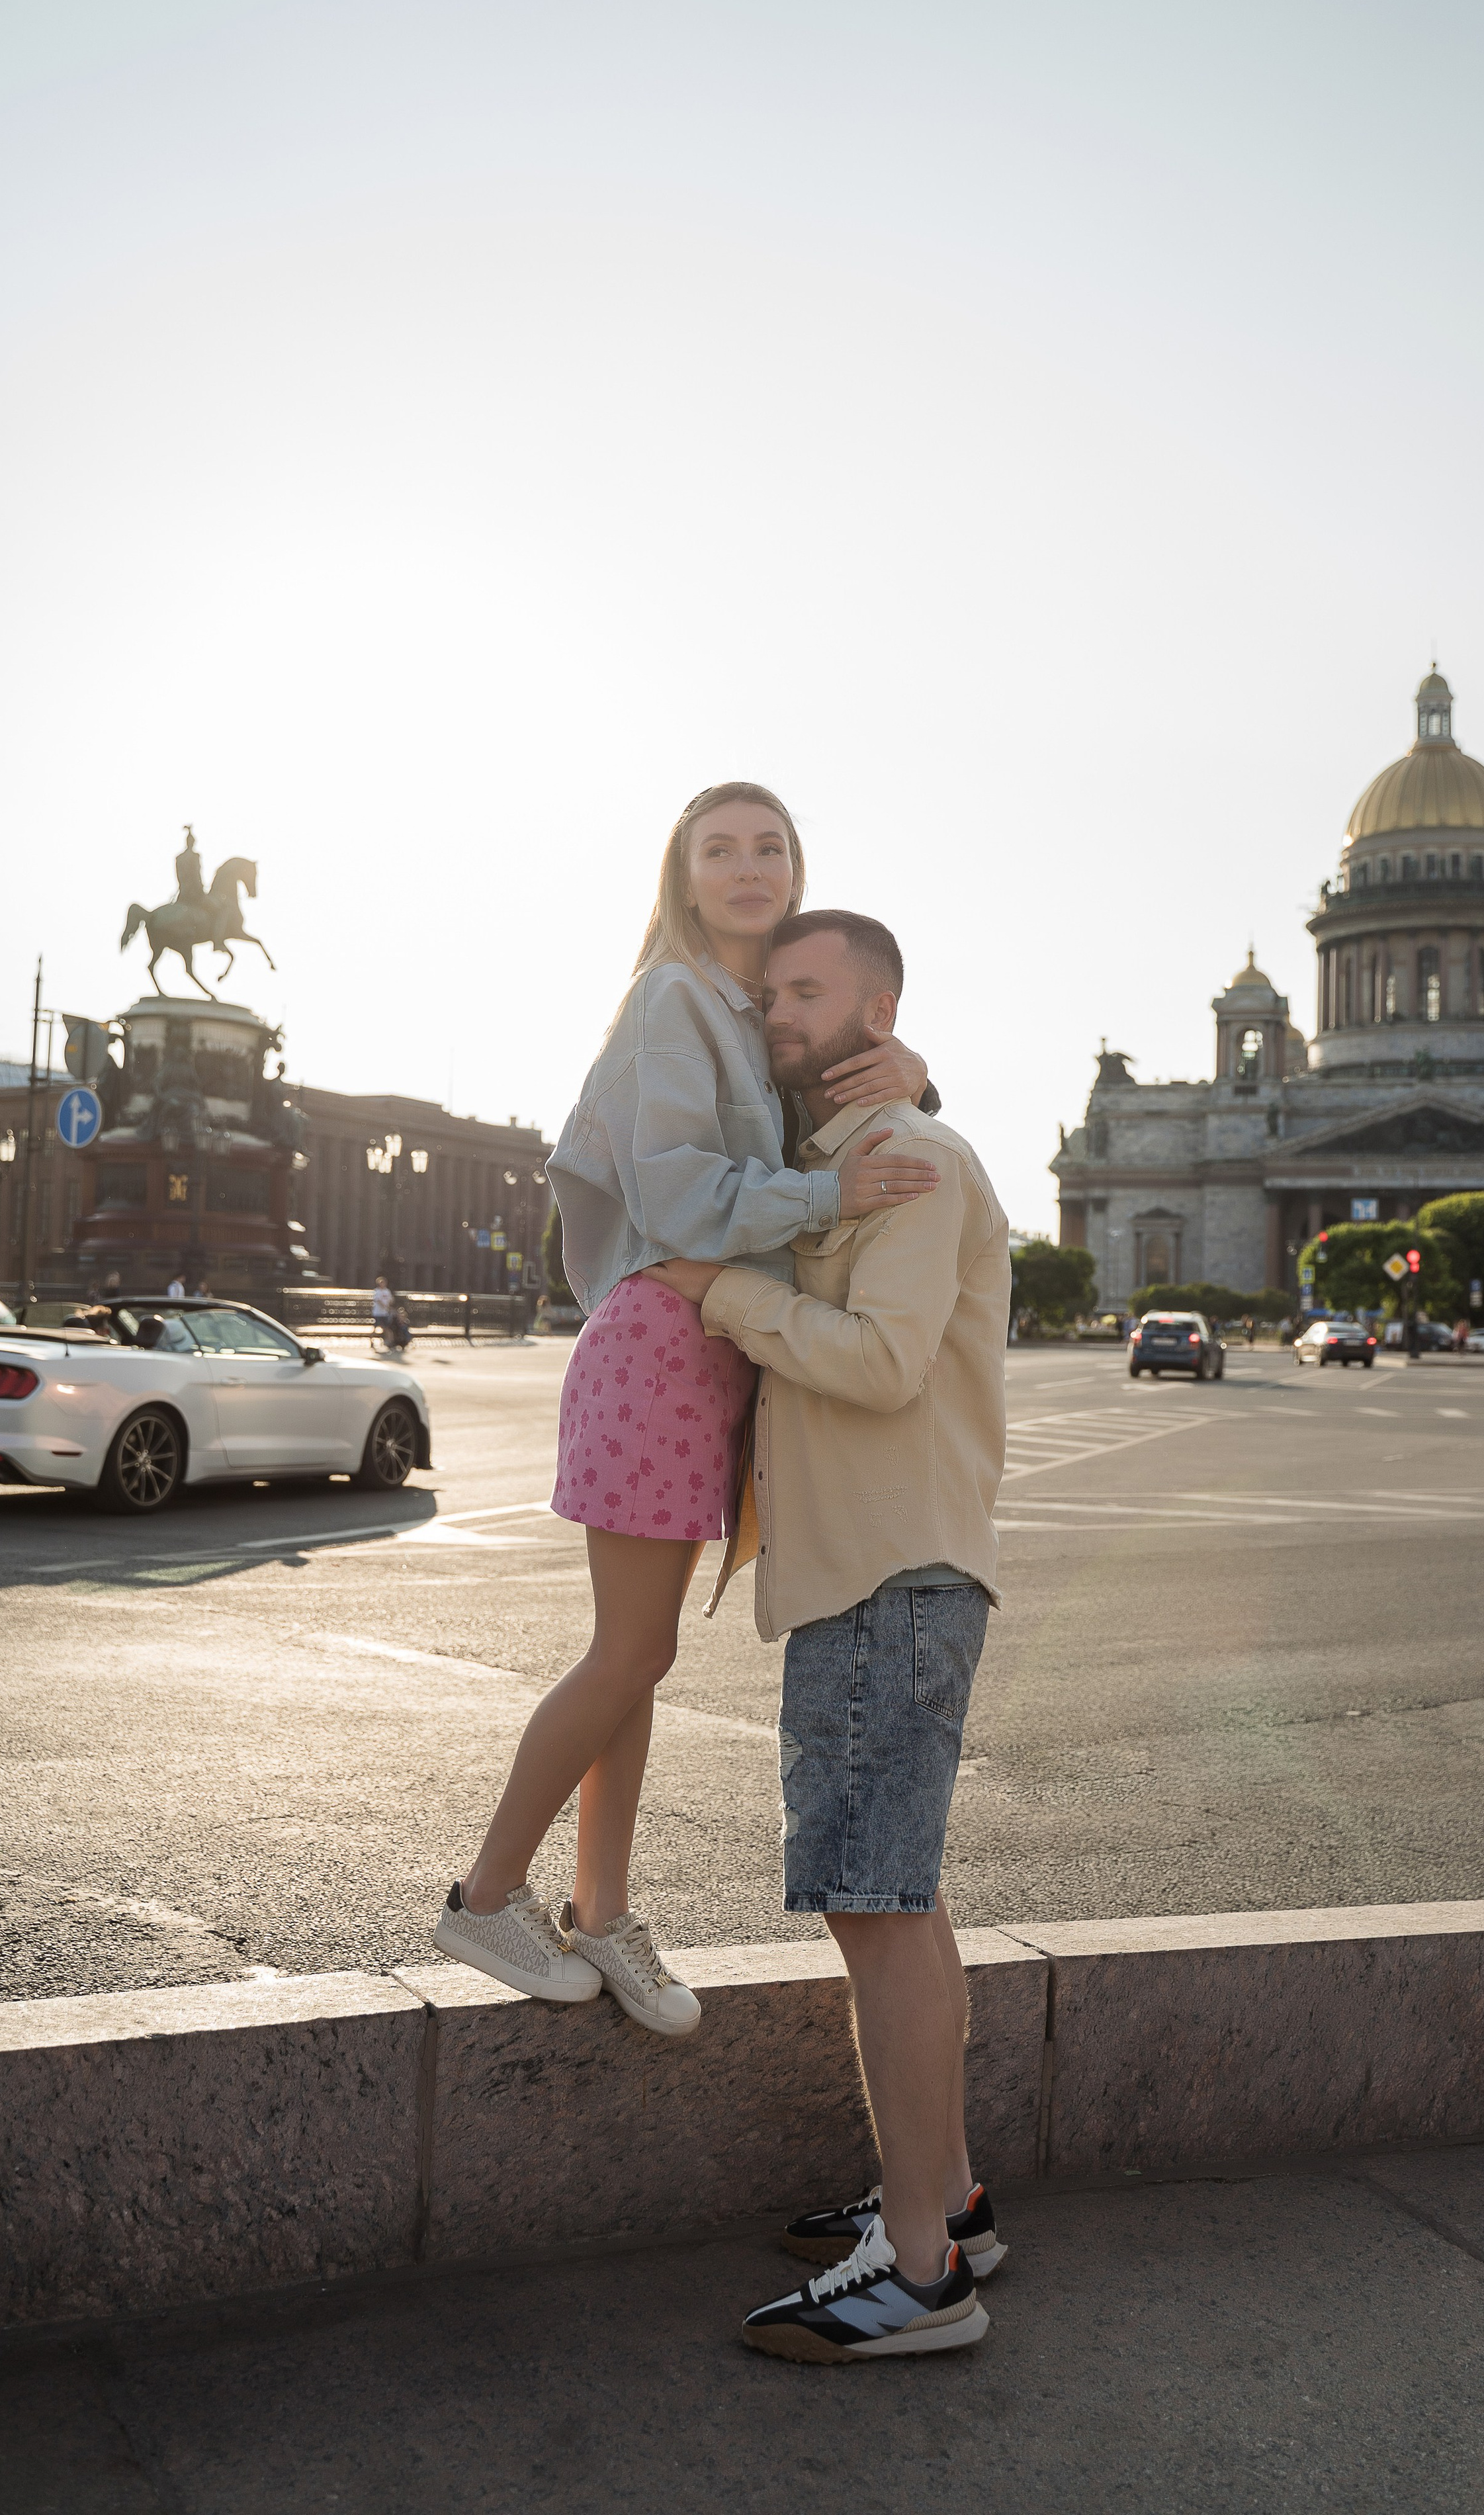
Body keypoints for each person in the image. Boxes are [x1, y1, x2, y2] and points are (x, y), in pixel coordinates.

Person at [433, 787, 938, 2039]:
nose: (750, 867)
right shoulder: (675, 999)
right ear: (686, 874)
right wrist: (824, 1192)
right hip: (663, 1339)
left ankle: (600, 1913)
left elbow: (850, 1093)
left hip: (708, 1354)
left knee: (638, 1661)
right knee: (629, 1653)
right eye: (724, 849)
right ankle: (486, 1895)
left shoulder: (757, 1013)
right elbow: (673, 1190)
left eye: (771, 848)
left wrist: (917, 1065)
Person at [651, 908, 1009, 2363]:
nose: (777, 1011)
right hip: (875, 1572)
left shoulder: (911, 1161)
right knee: (899, 1906)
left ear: (879, 1004)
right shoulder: (842, 1163)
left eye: (806, 992)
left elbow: (878, 1360)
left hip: (886, 1575)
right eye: (770, 992)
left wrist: (723, 1299)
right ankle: (947, 2200)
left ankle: (920, 2276)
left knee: (877, 1910)